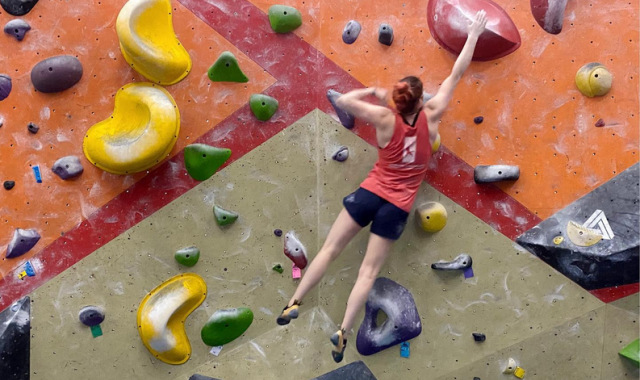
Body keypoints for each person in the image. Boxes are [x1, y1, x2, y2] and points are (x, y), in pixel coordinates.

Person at [276, 10, 488, 363]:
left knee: (328, 250)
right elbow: (457, 72)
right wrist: (474, 34)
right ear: (420, 103)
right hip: (397, 206)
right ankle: (344, 328)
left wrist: (373, 91)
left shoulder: (383, 118)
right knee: (368, 272)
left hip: (370, 193)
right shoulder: (433, 114)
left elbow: (343, 101)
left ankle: (294, 301)